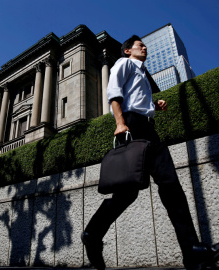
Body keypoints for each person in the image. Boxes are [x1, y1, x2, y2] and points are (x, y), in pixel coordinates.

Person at [81, 35, 219, 270]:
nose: (144, 48)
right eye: (139, 46)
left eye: (145, 46)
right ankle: (93, 234)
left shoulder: (143, 73)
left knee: (167, 188)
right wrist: (120, 123)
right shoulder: (124, 64)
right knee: (137, 192)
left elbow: (137, 99)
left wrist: (154, 106)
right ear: (127, 51)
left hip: (147, 127)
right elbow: (114, 93)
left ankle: (192, 252)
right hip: (133, 126)